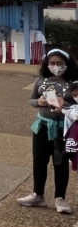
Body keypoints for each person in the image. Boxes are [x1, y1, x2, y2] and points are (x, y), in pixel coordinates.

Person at [17, 48, 77, 215]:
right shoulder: (41, 80)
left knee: (61, 163)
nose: (55, 66)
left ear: (67, 64)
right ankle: (38, 195)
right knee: (39, 161)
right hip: (42, 127)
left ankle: (60, 198)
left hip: (62, 129)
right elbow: (31, 100)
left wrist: (64, 104)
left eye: (59, 63)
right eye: (52, 63)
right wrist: (39, 101)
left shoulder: (73, 82)